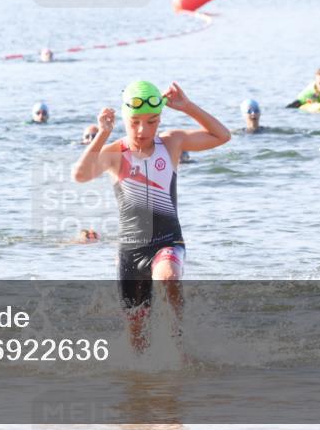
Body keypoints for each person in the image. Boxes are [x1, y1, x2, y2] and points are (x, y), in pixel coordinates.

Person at [72, 80, 231, 352]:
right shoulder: (114, 153)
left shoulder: (171, 144)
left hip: (167, 241)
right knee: (137, 342)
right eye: (134, 122)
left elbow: (222, 136)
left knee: (167, 277)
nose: (143, 130)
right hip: (130, 252)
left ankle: (179, 343)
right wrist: (102, 133)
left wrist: (188, 107)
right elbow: (80, 175)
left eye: (152, 121)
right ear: (124, 118)